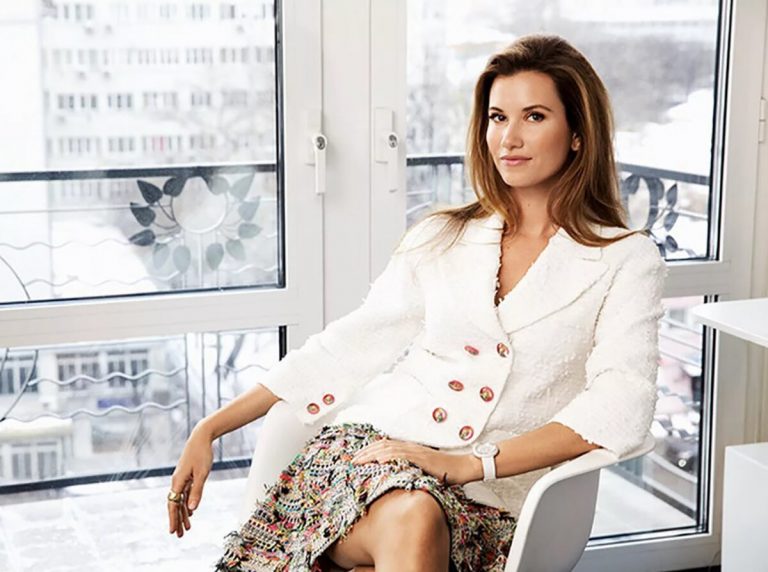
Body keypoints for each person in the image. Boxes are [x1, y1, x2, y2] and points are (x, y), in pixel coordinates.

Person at [167, 34, 668, 572]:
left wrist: (472, 464)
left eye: (535, 116)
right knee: (414, 515)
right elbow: (348, 345)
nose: (509, 138)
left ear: (578, 134)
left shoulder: (625, 259)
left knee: (414, 523)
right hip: (372, 454)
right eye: (497, 117)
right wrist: (210, 428)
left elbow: (622, 405)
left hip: (495, 499)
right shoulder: (442, 237)